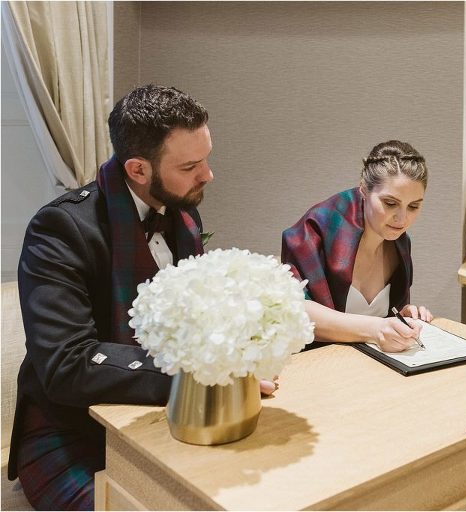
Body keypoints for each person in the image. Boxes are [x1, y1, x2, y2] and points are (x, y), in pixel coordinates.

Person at [7, 84, 271, 511]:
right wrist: (197, 378)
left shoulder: (182, 209)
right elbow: (67, 365)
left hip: (156, 415)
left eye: (206, 158)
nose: (207, 175)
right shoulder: (59, 229)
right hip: (69, 429)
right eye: (190, 165)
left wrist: (232, 364)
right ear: (138, 169)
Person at [282, 140, 433, 353]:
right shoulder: (317, 228)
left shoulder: (399, 242)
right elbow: (296, 309)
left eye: (414, 206)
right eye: (390, 203)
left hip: (376, 366)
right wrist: (377, 329)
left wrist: (403, 317)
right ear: (363, 190)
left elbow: (386, 316)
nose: (402, 218)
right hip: (320, 366)